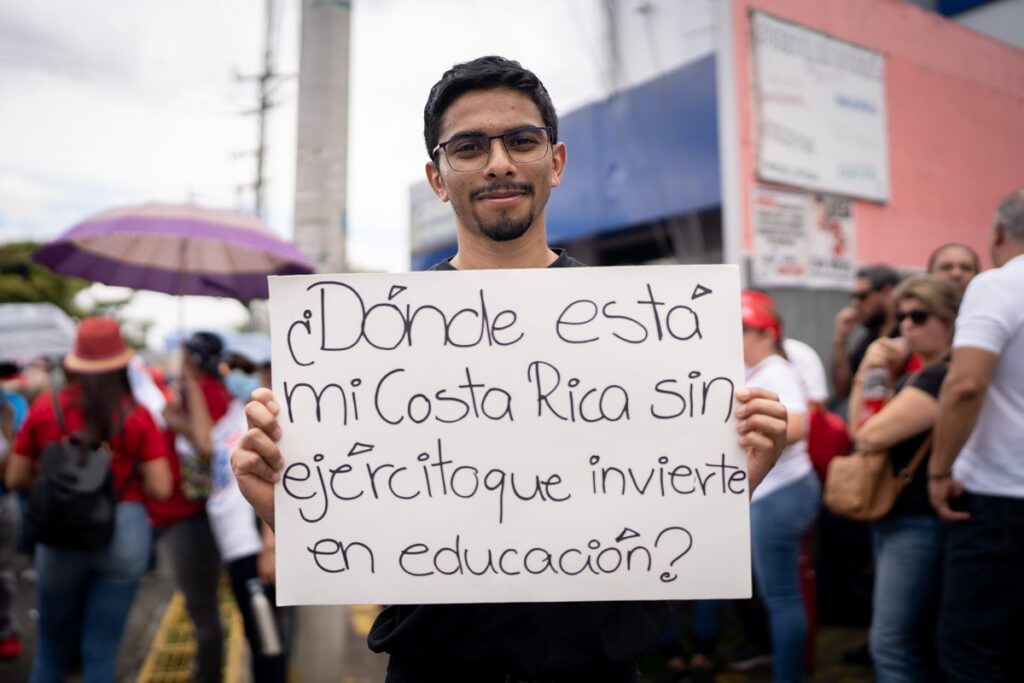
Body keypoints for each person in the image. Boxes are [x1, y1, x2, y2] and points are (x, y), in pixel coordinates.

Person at [232, 55, 789, 683]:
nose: (498, 162)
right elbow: (369, 524)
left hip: (596, 667)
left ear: (555, 161)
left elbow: (656, 509)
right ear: (438, 178)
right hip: (435, 665)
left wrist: (728, 481)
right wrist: (289, 507)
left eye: (521, 141)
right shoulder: (376, 340)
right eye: (468, 146)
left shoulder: (644, 331)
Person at [4, 316, 172, 682]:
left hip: (58, 529)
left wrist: (56, 473)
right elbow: (161, 487)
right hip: (123, 530)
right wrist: (126, 471)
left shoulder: (47, 408)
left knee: (50, 649)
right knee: (101, 650)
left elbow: (15, 477)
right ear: (122, 363)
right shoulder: (137, 415)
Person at [929, 188, 1024, 683]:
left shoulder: (999, 286)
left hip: (999, 497)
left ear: (997, 233)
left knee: (971, 648)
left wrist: (940, 470)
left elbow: (964, 385)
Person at [847, 275, 960, 682]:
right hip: (899, 516)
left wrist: (870, 368)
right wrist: (872, 371)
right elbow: (858, 425)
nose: (907, 325)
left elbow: (868, 433)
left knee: (890, 644)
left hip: (916, 522)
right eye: (903, 316)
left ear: (947, 321)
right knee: (909, 639)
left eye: (919, 315)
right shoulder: (919, 373)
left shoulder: (939, 376)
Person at [740, 291, 819, 683]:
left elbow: (800, 426)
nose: (736, 336)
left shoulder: (774, 370)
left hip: (781, 493)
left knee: (783, 596)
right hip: (780, 492)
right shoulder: (761, 370)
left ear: (766, 334)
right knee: (781, 595)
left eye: (743, 328)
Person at [208, 333, 287, 683]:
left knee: (267, 641)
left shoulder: (271, 417)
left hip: (254, 548)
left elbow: (280, 483)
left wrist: (270, 548)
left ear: (267, 372)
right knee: (258, 634)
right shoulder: (230, 412)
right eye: (229, 366)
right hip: (235, 546)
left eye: (243, 366)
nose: (232, 374)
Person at [158, 331, 231, 683]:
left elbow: (205, 443)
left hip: (197, 515)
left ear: (195, 360)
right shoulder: (190, 392)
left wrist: (178, 419)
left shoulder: (212, 393)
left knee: (201, 604)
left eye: (184, 355)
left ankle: (208, 673)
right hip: (183, 513)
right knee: (197, 603)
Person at [830, 264, 901, 404]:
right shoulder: (868, 337)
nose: (856, 303)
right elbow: (842, 390)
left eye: (862, 296)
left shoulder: (908, 330)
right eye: (853, 297)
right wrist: (840, 339)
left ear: (887, 292)